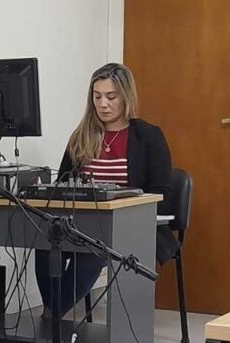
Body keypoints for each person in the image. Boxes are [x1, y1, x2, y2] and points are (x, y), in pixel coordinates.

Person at [35, 63, 177, 317]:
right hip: (80, 225)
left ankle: (51, 317)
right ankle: (53, 315)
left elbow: (160, 195)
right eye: (97, 96)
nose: (103, 104)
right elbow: (63, 186)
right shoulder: (81, 137)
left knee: (94, 251)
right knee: (45, 245)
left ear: (126, 97)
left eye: (111, 97)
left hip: (129, 228)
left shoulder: (149, 136)